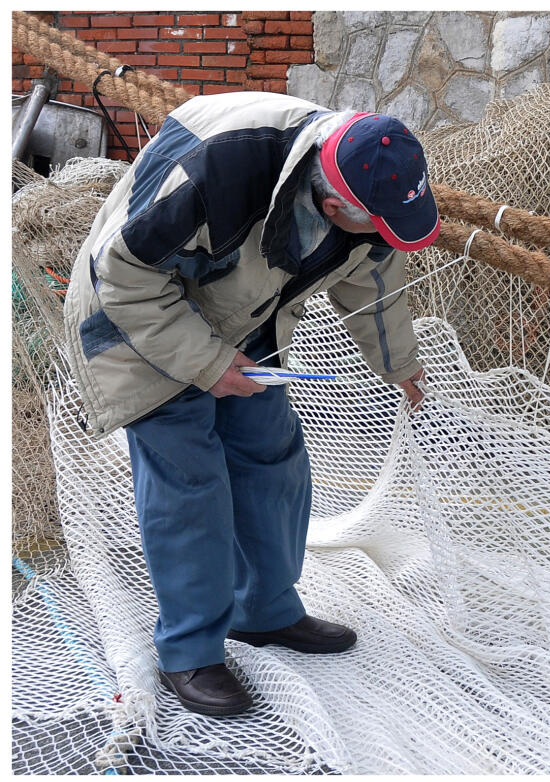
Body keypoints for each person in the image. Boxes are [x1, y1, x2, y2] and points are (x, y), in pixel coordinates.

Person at [62, 91, 439, 717]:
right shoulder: (221, 167)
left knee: (273, 455)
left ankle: (263, 612)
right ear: (333, 204)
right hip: (136, 315)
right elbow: (122, 275)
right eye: (375, 225)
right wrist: (208, 365)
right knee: (190, 479)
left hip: (243, 310)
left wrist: (399, 366)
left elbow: (374, 284)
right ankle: (190, 651)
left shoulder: (372, 186)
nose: (385, 238)